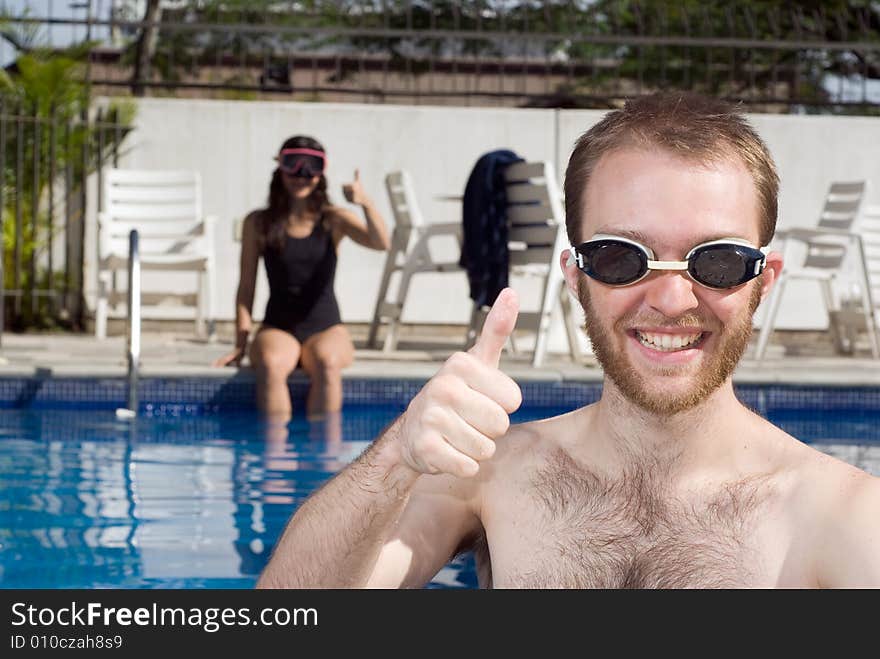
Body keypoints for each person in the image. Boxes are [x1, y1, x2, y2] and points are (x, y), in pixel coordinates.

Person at [256, 93, 880, 588]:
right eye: (620, 256)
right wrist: (396, 456)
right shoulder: (492, 475)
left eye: (714, 261)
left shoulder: (840, 514)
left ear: (761, 281)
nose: (669, 300)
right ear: (576, 276)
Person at [214, 136, 390, 421]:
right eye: (292, 165)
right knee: (271, 365)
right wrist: (240, 345)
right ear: (279, 169)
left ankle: (326, 459)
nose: (301, 175)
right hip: (278, 328)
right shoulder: (258, 223)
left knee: (327, 363)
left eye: (312, 167)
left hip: (327, 328)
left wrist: (365, 203)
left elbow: (381, 242)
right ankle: (272, 457)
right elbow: (246, 287)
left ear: (321, 173)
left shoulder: (333, 219)